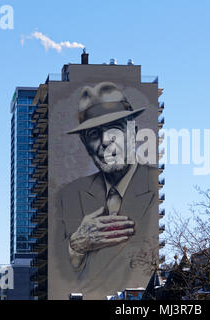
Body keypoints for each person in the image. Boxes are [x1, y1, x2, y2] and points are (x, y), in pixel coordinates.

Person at [55, 82, 158, 299]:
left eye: (114, 130)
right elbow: (61, 274)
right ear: (85, 144)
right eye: (93, 134)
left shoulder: (151, 185)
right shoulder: (69, 195)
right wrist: (76, 246)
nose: (104, 142)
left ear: (134, 133)